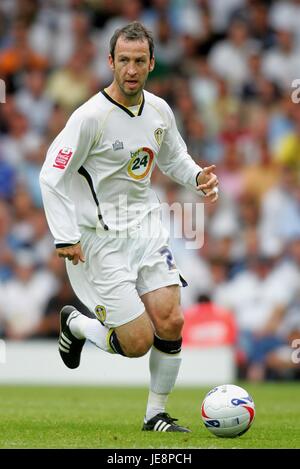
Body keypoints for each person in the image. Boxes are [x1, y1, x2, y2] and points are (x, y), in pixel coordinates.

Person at [39, 21, 219, 433]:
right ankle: (77, 324)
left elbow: (173, 157)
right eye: (124, 60)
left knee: (171, 320)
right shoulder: (90, 118)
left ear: (152, 63)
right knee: (137, 343)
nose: (131, 69)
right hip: (98, 241)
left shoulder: (159, 110)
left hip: (145, 229)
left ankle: (155, 415)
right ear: (111, 62)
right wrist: (64, 235)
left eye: (139, 61)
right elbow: (51, 174)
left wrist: (197, 178)